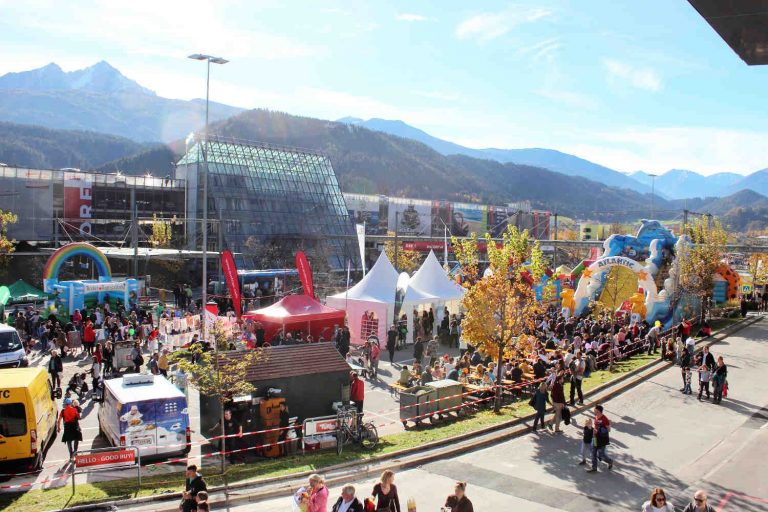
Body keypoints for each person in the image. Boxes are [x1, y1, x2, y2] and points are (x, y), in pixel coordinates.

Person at [587, 404, 614, 473]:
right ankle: (594, 468)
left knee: (601, 454)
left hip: (602, 440)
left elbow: (609, 430)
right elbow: (595, 426)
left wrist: (600, 430)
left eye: (595, 410)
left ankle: (610, 461)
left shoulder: (605, 419)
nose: (593, 411)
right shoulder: (596, 417)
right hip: (595, 438)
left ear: (598, 411)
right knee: (593, 453)